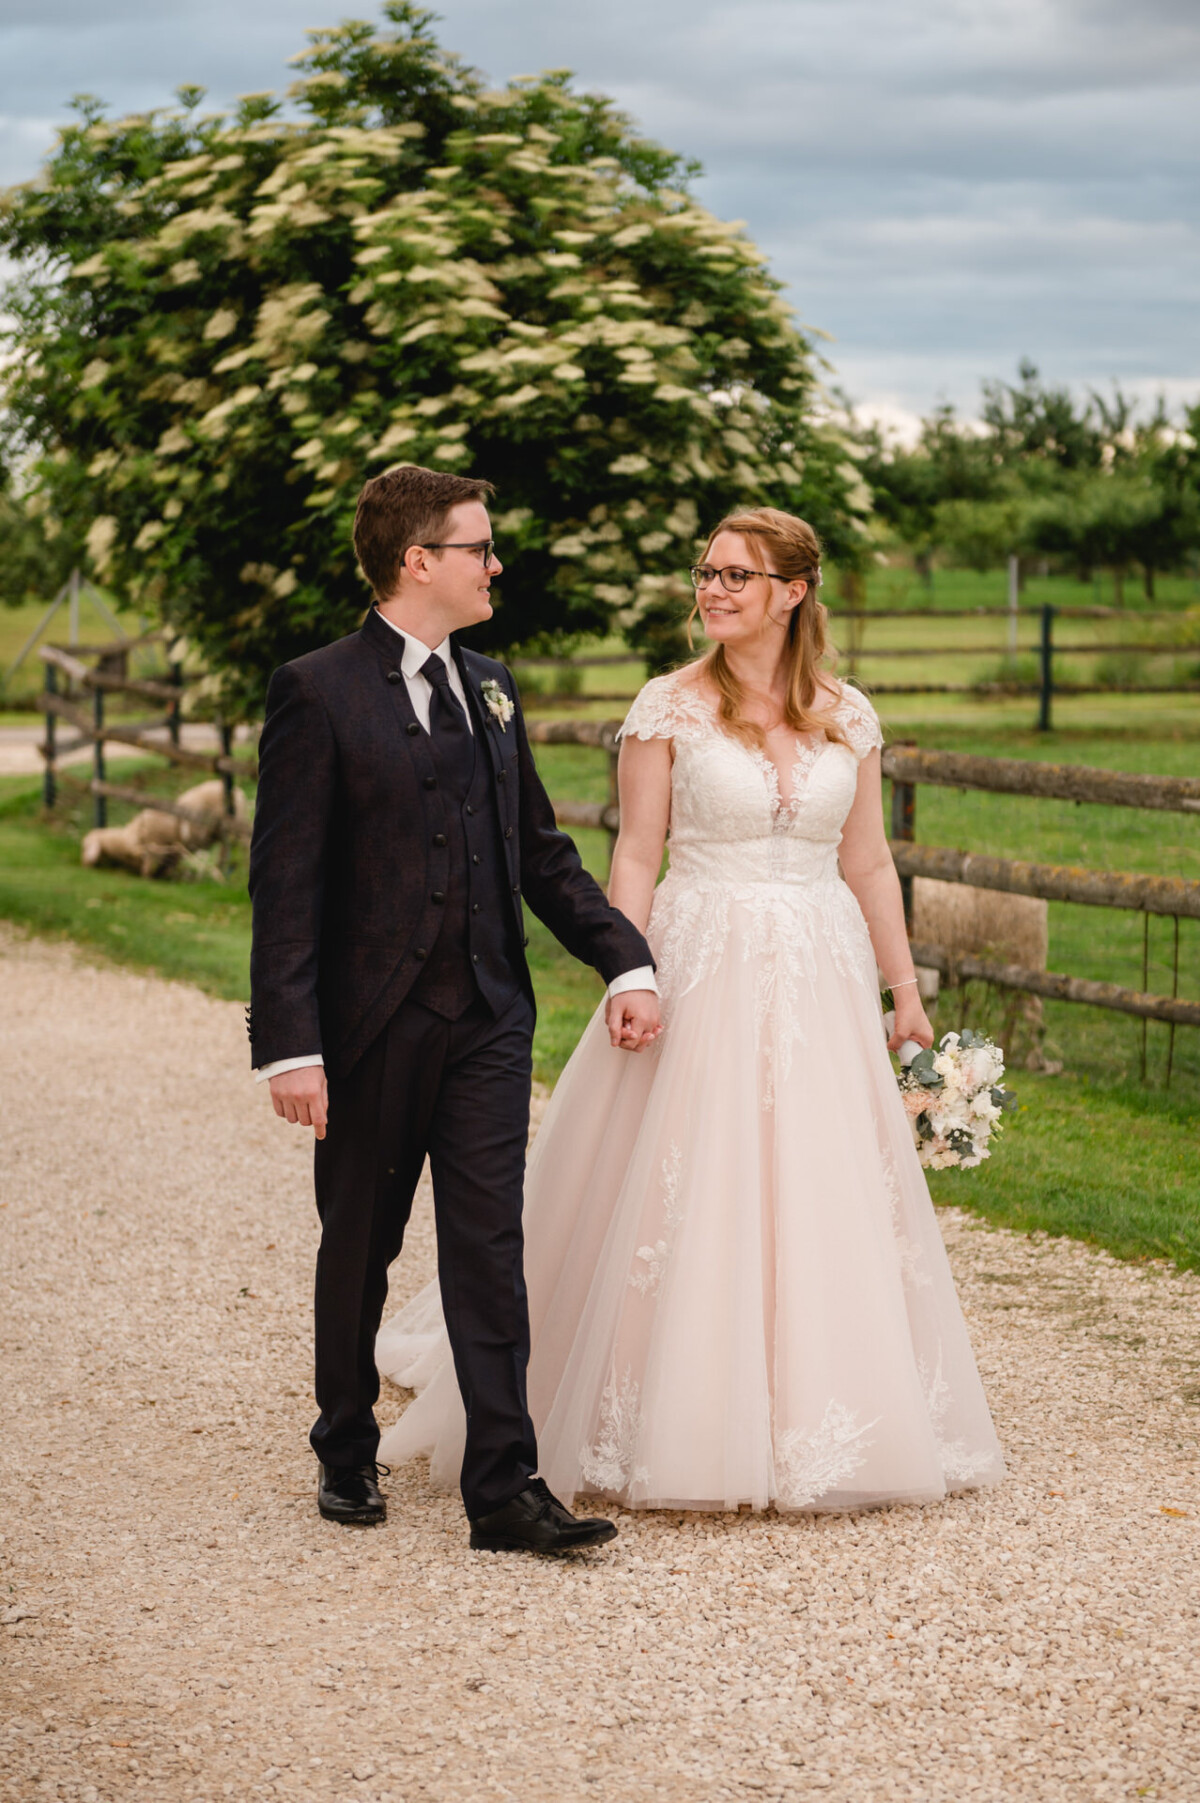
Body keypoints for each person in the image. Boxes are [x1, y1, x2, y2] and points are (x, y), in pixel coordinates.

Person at [377, 506, 1004, 1513]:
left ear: (794, 592)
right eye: (705, 574)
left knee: (819, 1182)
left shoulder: (848, 712)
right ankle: (653, 1410)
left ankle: (823, 1408)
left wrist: (906, 994)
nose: (711, 590)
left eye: (736, 576)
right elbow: (635, 852)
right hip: (699, 960)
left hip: (818, 968)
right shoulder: (667, 706)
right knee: (681, 1180)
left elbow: (870, 860)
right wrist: (630, 972)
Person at [248, 464, 660, 1552]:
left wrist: (627, 959)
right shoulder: (316, 689)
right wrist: (291, 1047)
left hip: (485, 1018)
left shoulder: (492, 684)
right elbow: (284, 886)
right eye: (480, 547)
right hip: (371, 1026)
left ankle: (505, 1491)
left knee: (487, 1250)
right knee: (362, 1241)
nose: (497, 565)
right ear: (417, 559)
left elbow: (541, 856)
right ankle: (343, 1443)